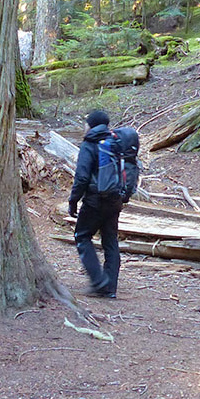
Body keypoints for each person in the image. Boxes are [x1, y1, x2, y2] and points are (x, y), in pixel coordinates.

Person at [68, 110, 123, 298]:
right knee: (110, 241)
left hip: (94, 200)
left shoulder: (89, 143)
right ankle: (110, 288)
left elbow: (82, 176)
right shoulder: (115, 142)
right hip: (115, 200)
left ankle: (99, 282)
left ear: (91, 124)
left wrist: (73, 200)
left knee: (82, 236)